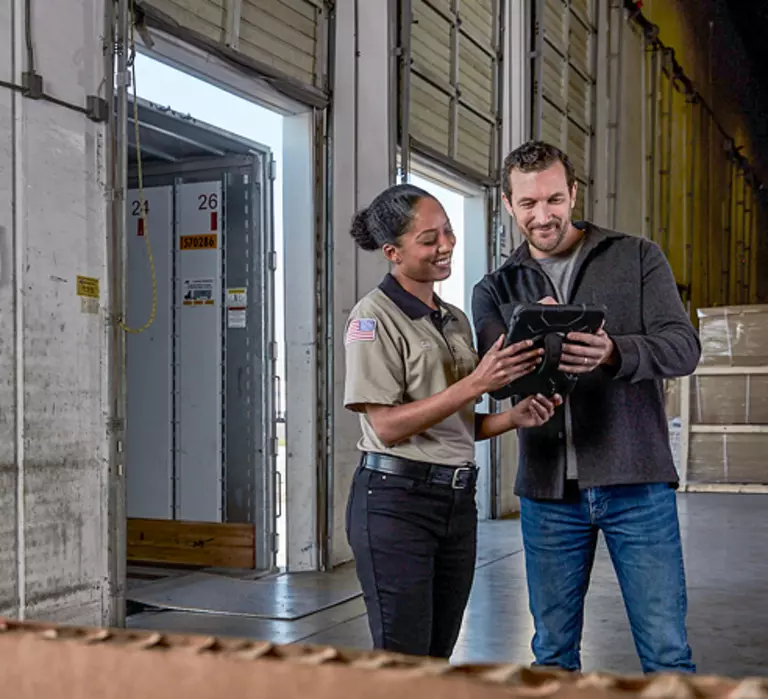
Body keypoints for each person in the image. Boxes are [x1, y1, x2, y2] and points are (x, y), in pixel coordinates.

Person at [471, 141, 700, 674]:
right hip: (549, 493)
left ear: (573, 193)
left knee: (667, 651)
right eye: (528, 204)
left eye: (554, 199)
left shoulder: (637, 256)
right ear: (508, 204)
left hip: (636, 481)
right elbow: (497, 385)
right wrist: (534, 343)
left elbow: (683, 347)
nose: (543, 215)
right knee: (551, 655)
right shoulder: (495, 288)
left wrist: (616, 350)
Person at [343, 183, 562, 659]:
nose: (444, 246)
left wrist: (513, 417)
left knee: (438, 655)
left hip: (455, 503)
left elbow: (455, 423)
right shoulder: (373, 319)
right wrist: (477, 383)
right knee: (404, 660)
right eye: (428, 239)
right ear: (392, 252)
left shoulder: (454, 319)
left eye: (448, 232)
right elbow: (386, 427)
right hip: (395, 506)